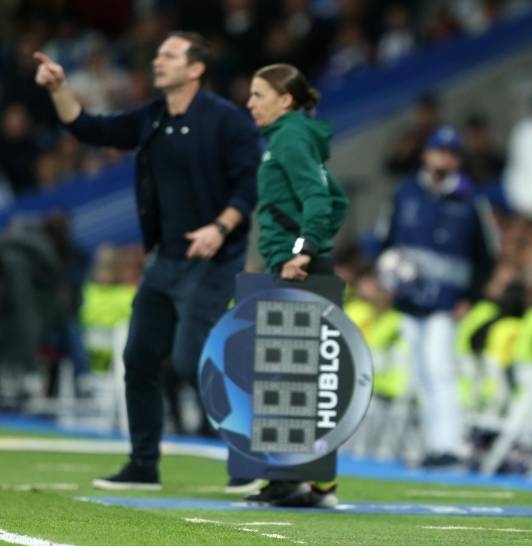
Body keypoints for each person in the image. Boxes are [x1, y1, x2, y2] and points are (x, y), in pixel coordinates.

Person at [34, 32, 260, 491]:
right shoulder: (153, 117)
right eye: (157, 54)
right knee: (138, 357)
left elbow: (250, 182)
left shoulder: (226, 120)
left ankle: (251, 458)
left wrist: (220, 227)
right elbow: (89, 128)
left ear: (196, 68)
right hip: (165, 259)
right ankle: (143, 465)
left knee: (192, 360)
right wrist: (59, 89)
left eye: (170, 55)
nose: (158, 61)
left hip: (214, 260)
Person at [241, 62, 349, 507]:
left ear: (285, 100)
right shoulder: (289, 137)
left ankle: (314, 484)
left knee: (295, 377)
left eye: (258, 95)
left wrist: (303, 249)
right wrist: (309, 244)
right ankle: (293, 479)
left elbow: (319, 199)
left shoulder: (290, 137)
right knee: (288, 375)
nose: (249, 103)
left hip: (297, 268)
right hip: (291, 263)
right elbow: (337, 199)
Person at [378, 126, 498, 468]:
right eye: (438, 151)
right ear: (426, 155)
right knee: (419, 372)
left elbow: (487, 256)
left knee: (440, 367)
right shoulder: (404, 193)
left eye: (450, 153)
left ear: (457, 160)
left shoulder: (472, 201)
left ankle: (449, 446)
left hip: (447, 302)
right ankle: (434, 444)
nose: (443, 159)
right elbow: (385, 242)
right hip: (408, 299)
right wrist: (386, 280)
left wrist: (470, 297)